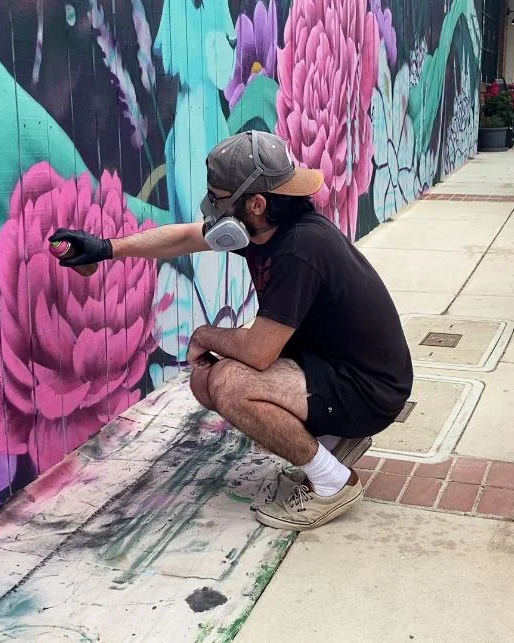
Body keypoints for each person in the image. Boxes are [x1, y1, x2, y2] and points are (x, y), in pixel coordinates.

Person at [48, 130, 413, 531]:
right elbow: (186, 237)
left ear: (256, 203)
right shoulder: (264, 228)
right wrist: (106, 248)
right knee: (207, 381)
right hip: (334, 365)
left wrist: (205, 335)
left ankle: (333, 483)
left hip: (369, 389)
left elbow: (258, 352)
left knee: (228, 384)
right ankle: (332, 445)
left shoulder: (299, 249)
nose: (210, 207)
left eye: (217, 198)